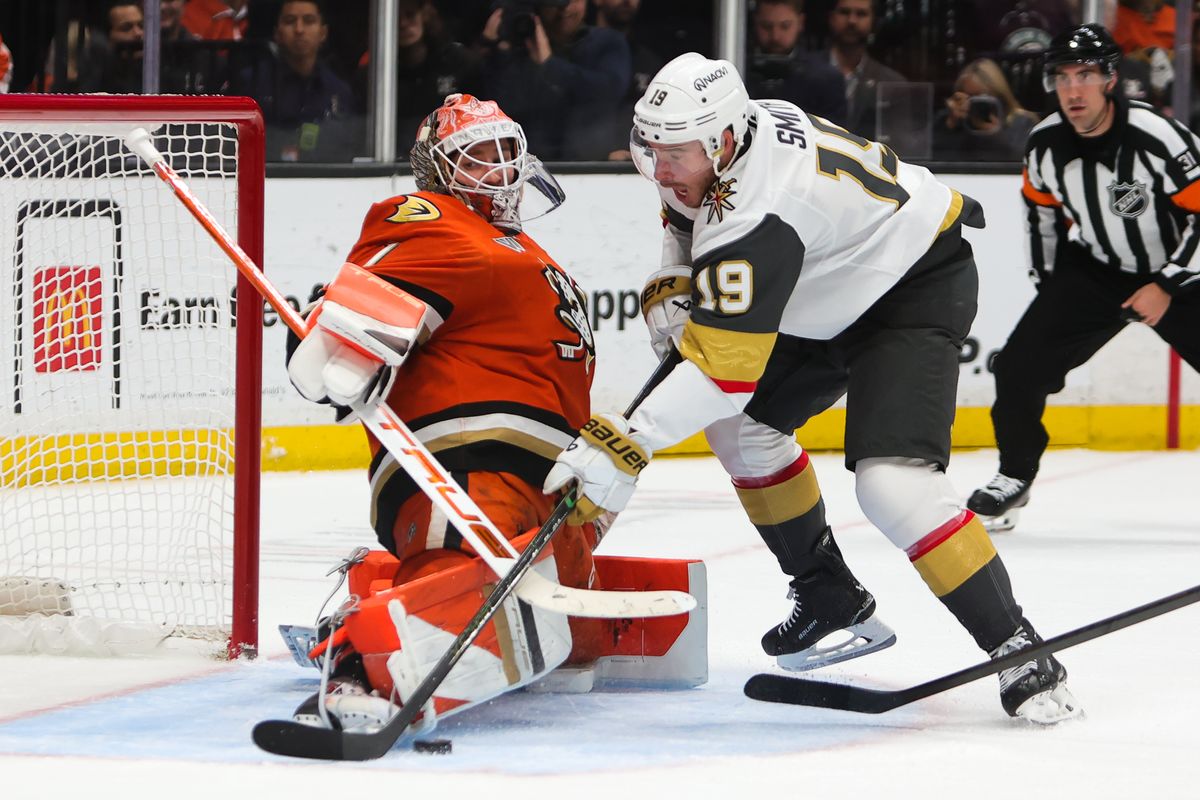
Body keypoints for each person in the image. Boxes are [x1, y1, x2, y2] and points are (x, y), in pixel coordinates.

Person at [544, 52, 1082, 723]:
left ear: (724, 140)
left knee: (894, 487)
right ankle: (827, 592)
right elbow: (687, 223)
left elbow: (725, 372)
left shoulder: (759, 206)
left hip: (910, 283)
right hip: (825, 282)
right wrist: (674, 280)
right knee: (740, 432)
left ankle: (1018, 647)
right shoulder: (710, 150)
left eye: (674, 154)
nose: (660, 169)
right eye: (650, 150)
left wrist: (627, 440)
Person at [282, 93, 702, 728]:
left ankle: (383, 583)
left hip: (549, 490)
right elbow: (340, 339)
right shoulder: (430, 219)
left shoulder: (522, 245)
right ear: (438, 170)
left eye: (507, 151)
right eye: (478, 156)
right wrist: (340, 344)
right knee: (470, 600)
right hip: (467, 476)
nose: (501, 168)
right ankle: (356, 657)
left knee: (568, 648)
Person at [967, 24, 1200, 532]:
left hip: (1182, 274)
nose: (1074, 90)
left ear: (1111, 79)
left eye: (1086, 75)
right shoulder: (1046, 143)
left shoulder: (1157, 137)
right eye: (1063, 77)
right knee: (1018, 369)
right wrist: (1052, 290)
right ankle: (1015, 475)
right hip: (1096, 270)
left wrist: (1167, 283)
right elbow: (1040, 215)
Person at [476, 0, 631, 160]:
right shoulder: (519, 46)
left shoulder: (608, 42)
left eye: (573, 0)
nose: (565, 9)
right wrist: (496, 49)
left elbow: (609, 91)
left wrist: (550, 65)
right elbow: (497, 108)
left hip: (589, 162)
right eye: (556, 2)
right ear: (540, 6)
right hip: (528, 160)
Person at [230, 0, 359, 162]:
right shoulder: (251, 84)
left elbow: (346, 148)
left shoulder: (339, 91)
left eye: (309, 21)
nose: (299, 29)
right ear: (277, 33)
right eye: (290, 21)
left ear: (323, 33)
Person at [353, 0, 481, 157]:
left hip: (453, 155)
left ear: (424, 15)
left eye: (410, 15)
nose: (403, 24)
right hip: (397, 156)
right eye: (396, 18)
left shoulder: (457, 62)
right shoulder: (374, 75)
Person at [744, 0, 847, 127]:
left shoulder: (826, 79)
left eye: (785, 26)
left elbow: (835, 134)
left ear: (801, 23)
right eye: (766, 26)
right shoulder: (738, 70)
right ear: (755, 22)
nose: (775, 36)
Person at [823, 0, 906, 141]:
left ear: (874, 21)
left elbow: (899, 142)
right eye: (844, 12)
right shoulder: (804, 74)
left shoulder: (893, 84)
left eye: (861, 14)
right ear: (831, 18)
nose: (852, 21)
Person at [594, 0, 665, 160]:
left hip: (638, 164)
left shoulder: (649, 61)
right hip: (580, 166)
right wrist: (601, 155)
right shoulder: (579, 58)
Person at [933, 58, 1040, 162]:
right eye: (969, 97)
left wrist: (997, 136)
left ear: (998, 94)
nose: (976, 103)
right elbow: (932, 157)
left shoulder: (1023, 122)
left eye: (981, 97)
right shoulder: (952, 120)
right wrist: (950, 125)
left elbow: (1025, 161)